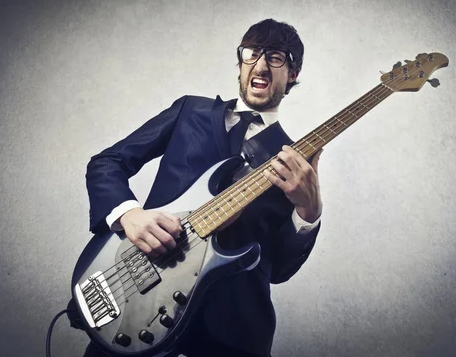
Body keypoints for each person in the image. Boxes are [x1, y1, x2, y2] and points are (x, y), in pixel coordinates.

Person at [83, 18, 323, 357]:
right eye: (252, 53)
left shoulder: (296, 161)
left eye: (277, 57)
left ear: (293, 73)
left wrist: (308, 212)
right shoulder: (190, 111)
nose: (261, 65)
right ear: (240, 62)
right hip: (140, 297)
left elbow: (280, 269)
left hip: (232, 333)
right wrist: (129, 216)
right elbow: (108, 162)